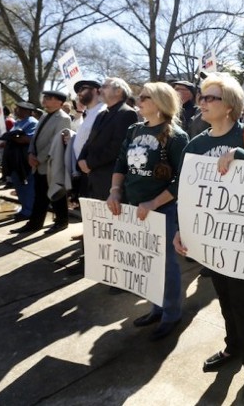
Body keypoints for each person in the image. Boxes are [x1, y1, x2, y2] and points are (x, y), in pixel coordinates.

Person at [173, 72, 244, 405]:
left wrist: (240, 157)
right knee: (225, 298)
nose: (202, 103)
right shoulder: (196, 144)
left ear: (230, 105)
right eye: (201, 98)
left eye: (210, 98)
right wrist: (181, 228)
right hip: (210, 239)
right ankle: (233, 347)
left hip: (242, 237)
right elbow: (185, 192)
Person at [107, 82, 189, 341]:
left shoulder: (176, 136)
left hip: (162, 209)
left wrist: (153, 203)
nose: (138, 100)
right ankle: (157, 308)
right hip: (134, 206)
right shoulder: (134, 130)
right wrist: (115, 191)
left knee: (165, 264)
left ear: (161, 102)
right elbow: (121, 162)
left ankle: (171, 314)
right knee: (147, 262)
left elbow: (181, 180)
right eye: (139, 97)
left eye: (145, 97)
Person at [11, 90, 71, 234]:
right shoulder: (44, 115)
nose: (44, 100)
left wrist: (39, 158)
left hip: (51, 164)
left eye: (49, 98)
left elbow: (54, 142)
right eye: (44, 97)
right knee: (40, 196)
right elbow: (35, 137)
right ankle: (35, 223)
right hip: (38, 164)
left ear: (59, 102)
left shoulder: (63, 118)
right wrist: (31, 153)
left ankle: (61, 221)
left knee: (56, 194)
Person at [78, 77, 139, 201]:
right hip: (93, 177)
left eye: (105, 87)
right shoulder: (102, 114)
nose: (100, 90)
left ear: (118, 91)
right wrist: (81, 159)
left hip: (110, 178)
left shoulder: (127, 114)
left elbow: (117, 147)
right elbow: (90, 141)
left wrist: (90, 163)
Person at [2, 102, 38, 222]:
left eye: (20, 109)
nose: (17, 111)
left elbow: (28, 139)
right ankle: (24, 209)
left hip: (23, 160)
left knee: (27, 186)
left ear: (27, 111)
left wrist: (12, 137)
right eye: (17, 108)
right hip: (14, 160)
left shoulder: (32, 122)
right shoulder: (18, 122)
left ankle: (29, 211)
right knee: (19, 186)